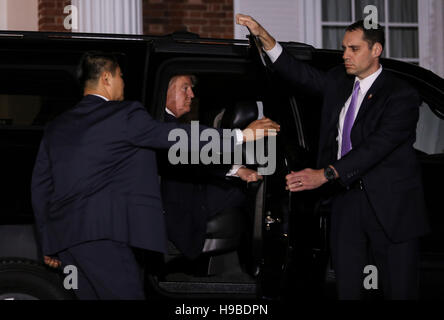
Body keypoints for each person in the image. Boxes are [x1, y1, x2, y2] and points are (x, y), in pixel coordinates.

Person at [31, 51, 280, 300]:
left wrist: (48, 242)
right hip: (103, 237)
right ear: (106, 78)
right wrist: (240, 136)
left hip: (67, 243)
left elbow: (41, 188)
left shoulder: (57, 126)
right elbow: (174, 138)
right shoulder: (123, 115)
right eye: (120, 76)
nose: (123, 83)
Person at [236, 15, 429, 300]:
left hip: (391, 206)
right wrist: (264, 37)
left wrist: (325, 174)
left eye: (354, 49)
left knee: (398, 290)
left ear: (376, 50)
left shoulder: (401, 95)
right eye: (344, 48)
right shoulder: (339, 81)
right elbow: (298, 73)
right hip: (345, 201)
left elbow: (377, 147)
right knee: (348, 287)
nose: (345, 55)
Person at [160, 75, 262, 260]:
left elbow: (193, 157)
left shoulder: (169, 122)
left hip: (185, 191)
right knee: (246, 193)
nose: (191, 94)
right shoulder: (161, 124)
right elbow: (188, 145)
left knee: (240, 190)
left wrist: (235, 170)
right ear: (165, 91)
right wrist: (243, 135)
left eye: (191, 89)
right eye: (185, 88)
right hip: (177, 204)